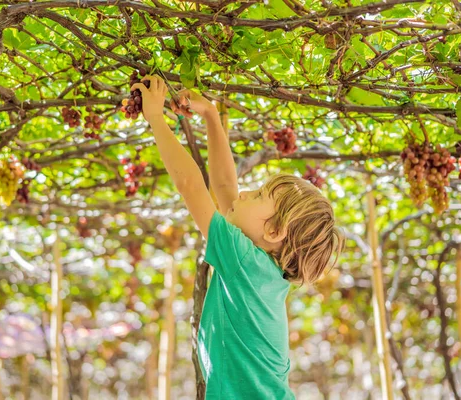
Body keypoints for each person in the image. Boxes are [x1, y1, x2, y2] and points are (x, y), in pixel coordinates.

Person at [131, 75, 344, 400]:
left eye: (258, 195)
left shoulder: (245, 261)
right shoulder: (261, 269)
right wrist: (211, 117)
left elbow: (192, 186)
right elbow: (226, 188)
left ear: (274, 232)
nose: (244, 193)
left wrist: (156, 119)